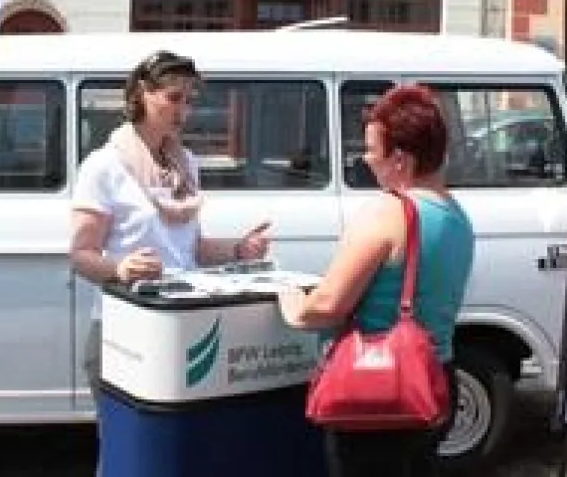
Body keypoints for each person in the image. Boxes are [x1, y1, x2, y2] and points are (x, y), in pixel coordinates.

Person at [68, 50, 273, 470]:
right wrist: (119, 269)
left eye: (190, 99)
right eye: (174, 97)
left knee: (181, 455)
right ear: (143, 94)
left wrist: (238, 250)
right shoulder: (104, 166)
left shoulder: (186, 163)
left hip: (182, 328)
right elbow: (80, 256)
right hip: (124, 331)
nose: (185, 110)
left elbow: (191, 250)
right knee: (129, 453)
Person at [276, 85, 475, 477]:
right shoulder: (458, 218)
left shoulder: (387, 213)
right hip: (435, 381)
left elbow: (327, 305)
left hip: (378, 390)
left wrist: (292, 302)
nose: (366, 160)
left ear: (399, 159)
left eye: (371, 149)